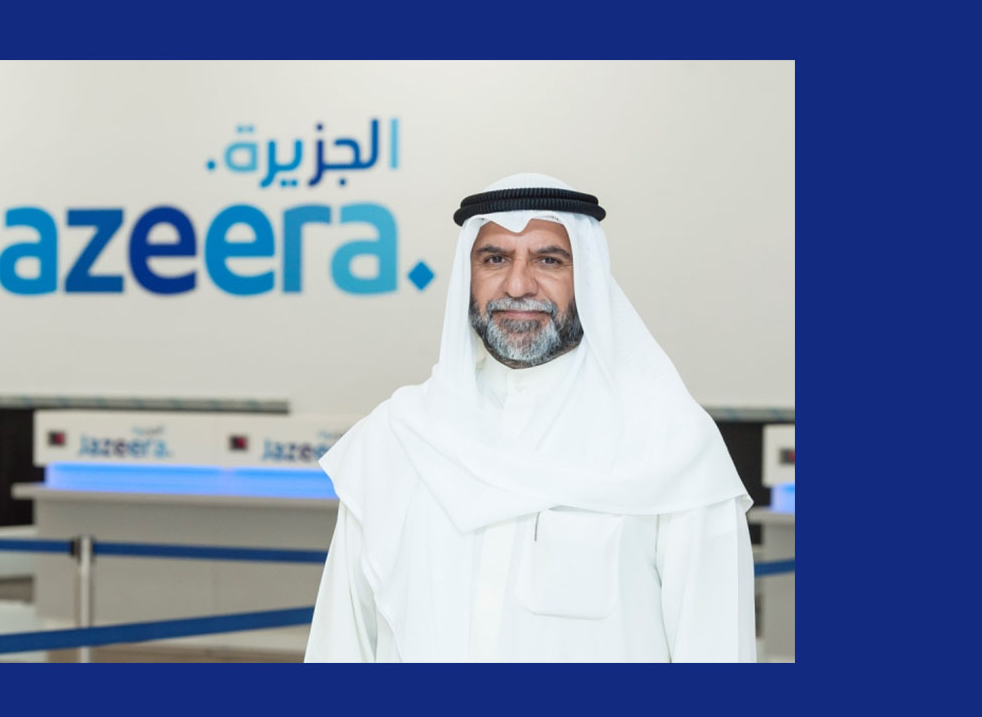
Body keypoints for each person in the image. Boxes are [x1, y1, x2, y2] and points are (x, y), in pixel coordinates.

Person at [304, 173, 756, 663]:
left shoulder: (669, 442)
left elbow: (716, 651)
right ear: (467, 277)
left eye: (549, 260)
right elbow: (341, 644)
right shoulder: (395, 437)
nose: (518, 285)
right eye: (495, 259)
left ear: (588, 277)